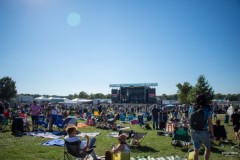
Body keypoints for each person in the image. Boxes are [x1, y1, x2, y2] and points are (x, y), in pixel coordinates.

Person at [189, 94, 213, 160]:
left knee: (196, 150)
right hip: (203, 131)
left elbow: (190, 119)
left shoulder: (192, 108)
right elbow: (210, 122)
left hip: (194, 131)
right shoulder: (207, 109)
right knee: (208, 147)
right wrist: (212, 134)